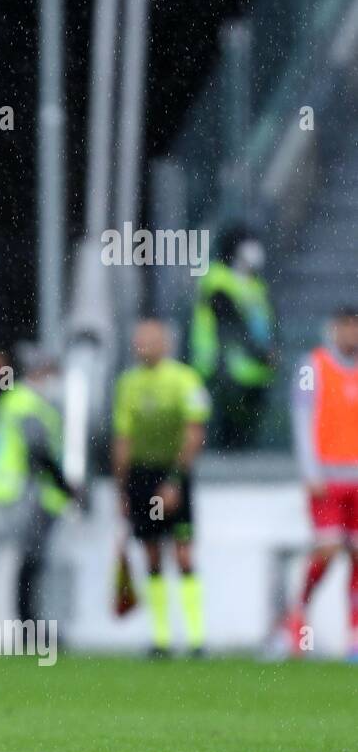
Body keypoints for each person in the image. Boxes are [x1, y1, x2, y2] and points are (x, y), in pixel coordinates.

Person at [113, 319, 211, 656]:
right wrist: (122, 490)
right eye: (139, 341)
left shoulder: (184, 380)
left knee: (183, 551)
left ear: (166, 344)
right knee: (151, 553)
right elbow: (123, 438)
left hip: (173, 473)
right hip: (141, 476)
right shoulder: (128, 383)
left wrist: (174, 481)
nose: (143, 346)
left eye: (151, 340)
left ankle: (197, 638)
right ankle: (162, 638)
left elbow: (194, 432)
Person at [279, 306, 358, 660]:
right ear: (333, 329)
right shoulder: (314, 366)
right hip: (326, 477)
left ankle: (354, 633)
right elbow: (302, 417)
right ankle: (299, 612)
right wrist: (310, 471)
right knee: (327, 551)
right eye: (345, 328)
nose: (350, 335)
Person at [0, 344, 76, 621]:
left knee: (19, 561)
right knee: (30, 562)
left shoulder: (14, 399)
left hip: (5, 490)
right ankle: (29, 624)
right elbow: (39, 452)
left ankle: (20, 623)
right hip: (18, 493)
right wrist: (65, 487)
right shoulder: (28, 404)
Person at [188, 224, 275, 449]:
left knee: (246, 435)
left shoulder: (256, 284)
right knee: (228, 435)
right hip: (224, 368)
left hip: (254, 373)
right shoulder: (218, 279)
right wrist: (259, 352)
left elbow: (264, 323)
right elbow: (229, 325)